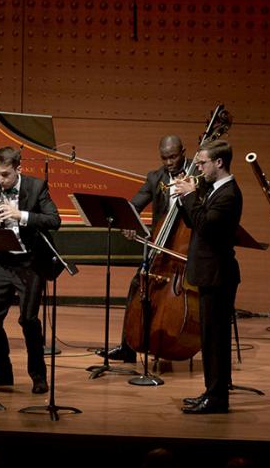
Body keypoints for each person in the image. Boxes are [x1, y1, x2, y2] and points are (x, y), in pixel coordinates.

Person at [0, 146, 62, 394]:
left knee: (29, 320)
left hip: (29, 262)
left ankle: (38, 376)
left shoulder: (36, 187)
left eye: (5, 175)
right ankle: (3, 372)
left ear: (18, 169)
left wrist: (20, 214)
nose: (0, 180)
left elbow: (54, 220)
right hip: (2, 261)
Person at [101, 135, 188, 362]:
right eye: (164, 158)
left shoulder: (196, 174)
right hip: (161, 242)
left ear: (184, 152)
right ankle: (128, 346)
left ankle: (175, 340)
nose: (169, 162)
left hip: (186, 247)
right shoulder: (155, 177)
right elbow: (135, 204)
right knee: (137, 285)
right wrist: (129, 221)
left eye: (173, 156)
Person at [173, 139, 242, 414]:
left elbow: (206, 226)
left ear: (219, 163)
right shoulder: (215, 190)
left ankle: (217, 398)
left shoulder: (229, 195)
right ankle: (211, 392)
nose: (198, 168)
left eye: (202, 163)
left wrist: (192, 195)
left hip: (218, 274)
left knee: (215, 339)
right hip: (210, 273)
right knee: (210, 338)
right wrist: (182, 198)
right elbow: (195, 222)